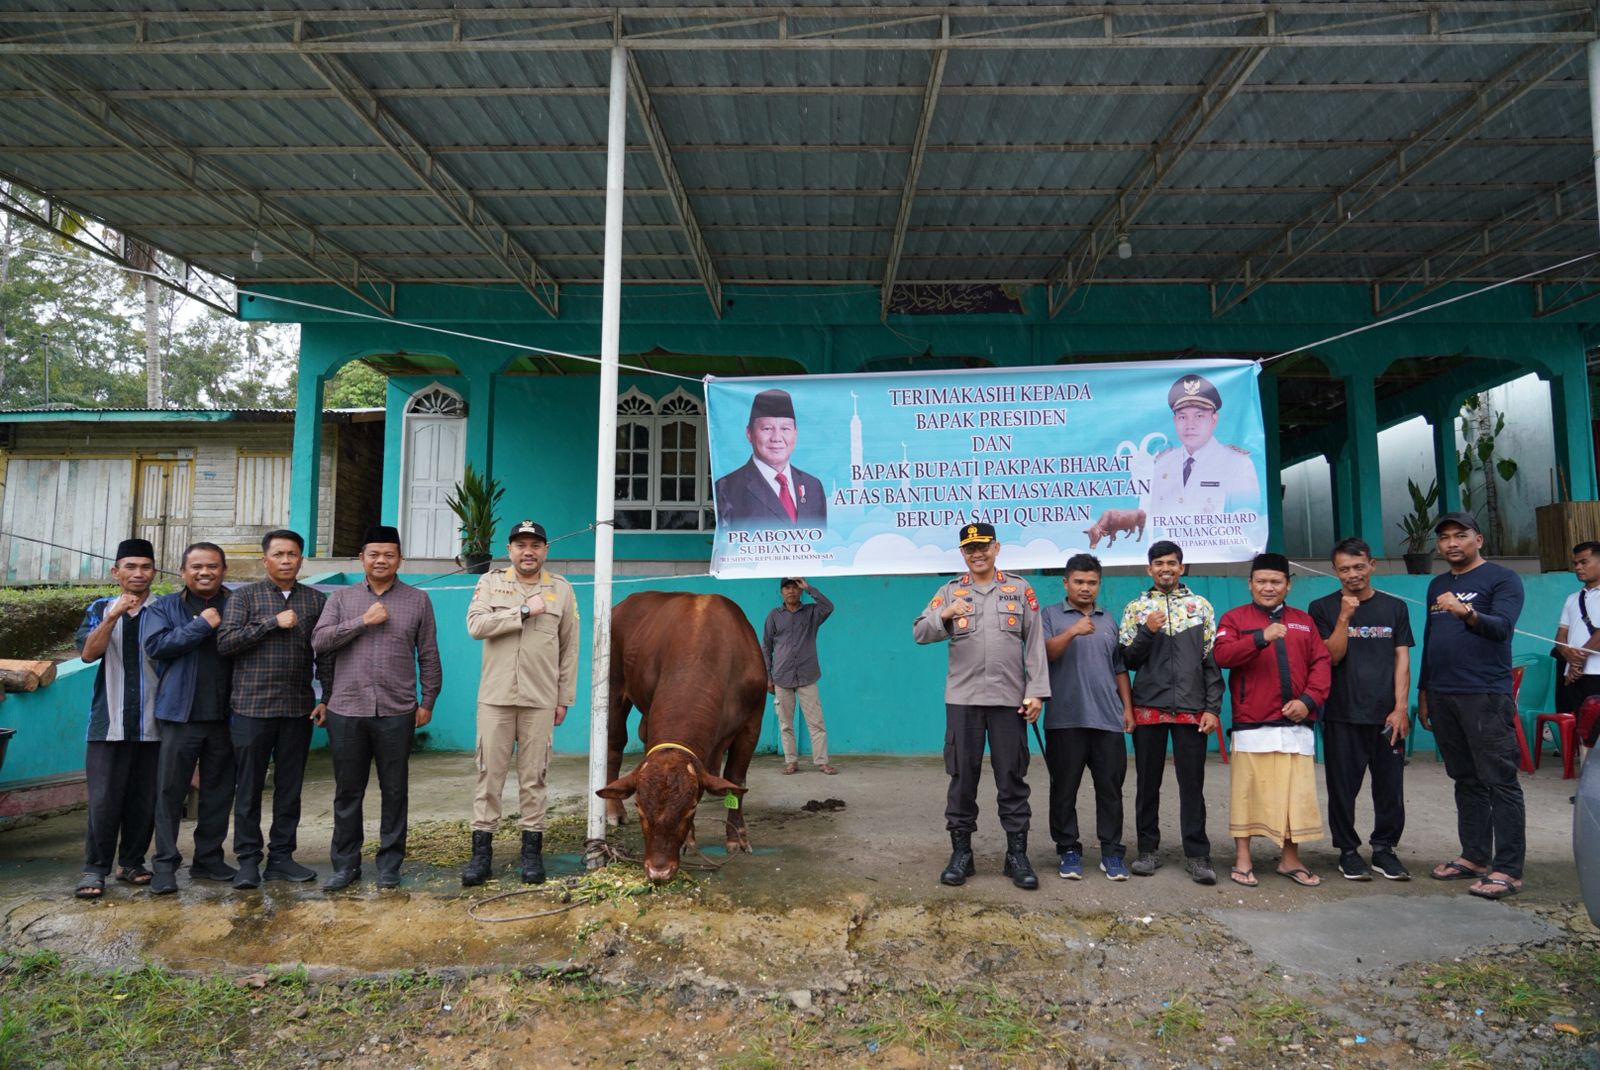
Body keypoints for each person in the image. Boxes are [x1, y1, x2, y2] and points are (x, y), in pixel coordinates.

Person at [913, 522, 1049, 890]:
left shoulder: (1019, 590)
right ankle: (962, 855)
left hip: (1009, 701)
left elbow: (1035, 643)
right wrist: (943, 614)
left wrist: (1036, 692)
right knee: (961, 779)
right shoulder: (950, 591)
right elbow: (920, 632)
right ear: (962, 553)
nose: (977, 553)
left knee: (1012, 779)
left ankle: (1016, 856)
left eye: (983, 546)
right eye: (970, 548)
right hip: (963, 701)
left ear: (997, 548)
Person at [311, 526, 442, 891]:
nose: (381, 560)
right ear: (361, 558)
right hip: (347, 710)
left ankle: (389, 864)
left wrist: (427, 700)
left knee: (395, 790)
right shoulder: (341, 599)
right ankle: (345, 865)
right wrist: (362, 621)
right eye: (374, 554)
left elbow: (429, 655)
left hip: (397, 710)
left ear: (400, 559)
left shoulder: (418, 600)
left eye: (388, 554)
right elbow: (319, 642)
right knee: (348, 792)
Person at [462, 519, 579, 886]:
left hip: (540, 699)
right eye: (520, 545)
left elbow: (569, 648)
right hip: (495, 699)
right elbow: (476, 626)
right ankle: (481, 855)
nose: (528, 552)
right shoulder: (490, 583)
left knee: (535, 777)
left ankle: (532, 853)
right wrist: (523, 612)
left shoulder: (561, 590)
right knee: (489, 776)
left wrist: (564, 698)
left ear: (546, 550)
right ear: (510, 550)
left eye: (535, 545)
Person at [1418, 511, 1527, 900]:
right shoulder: (1437, 586)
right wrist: (1424, 692)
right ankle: (1476, 857)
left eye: (1460, 535)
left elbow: (1502, 628)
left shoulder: (1502, 579)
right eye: (1444, 537)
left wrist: (1465, 611)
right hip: (1443, 694)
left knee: (1499, 780)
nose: (1451, 544)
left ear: (1478, 539)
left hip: (1484, 694)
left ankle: (1508, 869)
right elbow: (1432, 641)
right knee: (1465, 779)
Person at [217, 529, 329, 890]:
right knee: (248, 787)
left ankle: (281, 856)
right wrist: (270, 624)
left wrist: (326, 696)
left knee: (289, 788)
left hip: (297, 708)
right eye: (278, 554)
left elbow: (324, 653)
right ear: (264, 560)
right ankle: (248, 860)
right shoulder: (243, 597)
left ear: (301, 560)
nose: (285, 560)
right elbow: (226, 643)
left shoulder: (315, 600)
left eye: (292, 554)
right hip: (251, 708)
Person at [1213, 552, 1330, 889]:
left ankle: (1290, 858)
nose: (1268, 587)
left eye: (1275, 582)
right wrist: (1261, 637)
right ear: (1249, 584)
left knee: (1296, 796)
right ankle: (1243, 858)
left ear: (1288, 585)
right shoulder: (1234, 619)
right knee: (1247, 794)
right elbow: (1222, 655)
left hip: (1296, 726)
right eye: (1261, 581)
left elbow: (1321, 665)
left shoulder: (1303, 622)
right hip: (1252, 724)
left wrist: (1307, 702)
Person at [1308, 537, 1414, 882]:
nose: (1352, 575)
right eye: (1344, 569)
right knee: (1342, 788)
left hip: (1386, 716)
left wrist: (1400, 707)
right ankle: (1348, 851)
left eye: (1358, 567)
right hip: (1342, 713)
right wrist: (1344, 617)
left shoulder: (1395, 608)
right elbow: (1331, 657)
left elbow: (1402, 659)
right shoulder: (1321, 608)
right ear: (1334, 571)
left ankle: (1384, 849)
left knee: (1390, 787)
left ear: (1372, 565)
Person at [1118, 539, 1223, 884]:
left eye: (1172, 563)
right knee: (1148, 783)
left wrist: (1213, 708)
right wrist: (1148, 631)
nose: (1166, 568)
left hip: (1192, 709)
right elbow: (1128, 660)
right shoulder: (1136, 608)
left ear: (1182, 567)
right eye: (1159, 563)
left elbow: (1211, 662)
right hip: (1149, 706)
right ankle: (1147, 851)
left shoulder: (1201, 606)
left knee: (1192, 784)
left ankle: (1198, 855)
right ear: (1149, 569)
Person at [143, 542, 237, 895]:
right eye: (196, 566)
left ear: (223, 570)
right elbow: (156, 647)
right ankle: (165, 865)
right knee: (170, 793)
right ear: (183, 571)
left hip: (226, 716)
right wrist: (201, 626)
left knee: (218, 792)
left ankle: (208, 860)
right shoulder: (166, 606)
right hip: (180, 716)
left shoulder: (236, 604)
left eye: (212, 566)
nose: (204, 572)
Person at [71, 538, 162, 900]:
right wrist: (112, 616)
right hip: (107, 720)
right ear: (116, 571)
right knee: (104, 799)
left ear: (154, 571)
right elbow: (88, 655)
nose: (138, 573)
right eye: (130, 567)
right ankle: (95, 868)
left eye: (145, 567)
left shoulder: (167, 609)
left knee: (145, 797)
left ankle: (132, 862)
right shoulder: (99, 607)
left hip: (156, 721)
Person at [1041, 553, 1133, 881]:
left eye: (1092, 582)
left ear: (1099, 584)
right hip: (1065, 719)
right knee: (1064, 788)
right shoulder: (1050, 615)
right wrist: (1073, 631)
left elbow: (1119, 668)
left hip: (1107, 719)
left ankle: (1111, 851)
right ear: (1065, 583)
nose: (1085, 588)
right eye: (1078, 582)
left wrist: (1128, 709)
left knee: (1110, 788)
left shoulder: (1109, 619)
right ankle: (1068, 849)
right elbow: (1046, 654)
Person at [1147, 374, 1259, 518]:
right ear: (1175, 421)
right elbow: (1152, 519)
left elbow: (1247, 521)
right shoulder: (1162, 463)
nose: (1190, 425)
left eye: (1199, 416)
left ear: (1214, 420)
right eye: (1182, 417)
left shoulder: (1238, 463)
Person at [714, 388, 827, 527]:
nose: (777, 438)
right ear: (749, 433)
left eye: (785, 429)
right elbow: (726, 543)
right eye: (767, 429)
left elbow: (822, 541)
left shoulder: (813, 486)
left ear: (795, 434)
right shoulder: (727, 487)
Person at [763, 577, 837, 775]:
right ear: (781, 592)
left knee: (816, 722)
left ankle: (822, 762)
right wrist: (768, 677)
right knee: (785, 723)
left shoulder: (812, 612)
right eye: (786, 588)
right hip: (781, 676)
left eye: (795, 587)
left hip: (807, 675)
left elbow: (829, 606)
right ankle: (791, 762)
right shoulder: (774, 616)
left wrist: (810, 587)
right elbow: (766, 647)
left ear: (800, 590)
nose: (791, 591)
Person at [1554, 541, 1600, 714]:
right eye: (1575, 563)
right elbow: (1560, 635)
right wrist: (1568, 656)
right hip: (1575, 676)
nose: (1578, 567)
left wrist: (1578, 659)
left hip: (1595, 673)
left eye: (1584, 562)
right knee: (1582, 731)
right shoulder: (1572, 598)